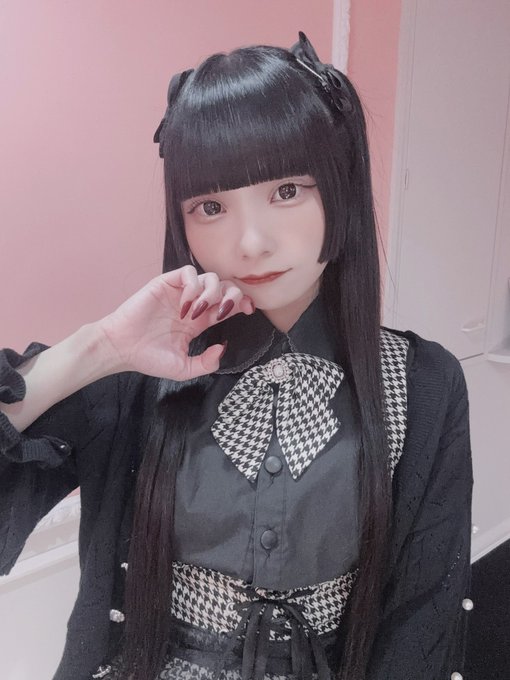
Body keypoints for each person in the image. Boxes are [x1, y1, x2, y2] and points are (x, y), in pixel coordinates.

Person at [0, 31, 473, 680]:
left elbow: (420, 624)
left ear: (340, 188)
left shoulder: (424, 385)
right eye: (211, 206)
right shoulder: (136, 373)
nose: (250, 243)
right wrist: (98, 348)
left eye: (287, 191)